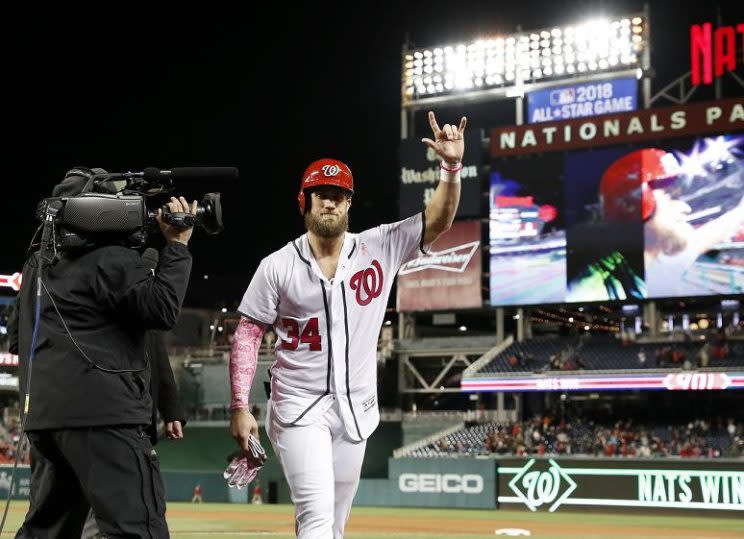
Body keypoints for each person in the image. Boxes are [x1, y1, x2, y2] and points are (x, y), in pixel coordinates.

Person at [229, 111, 466, 538]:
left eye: (339, 193)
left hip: (356, 410)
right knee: (317, 518)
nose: (330, 201)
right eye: (320, 192)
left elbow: (439, 220)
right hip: (298, 408)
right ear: (305, 200)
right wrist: (240, 406)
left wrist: (450, 168)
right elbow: (248, 333)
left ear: (350, 202)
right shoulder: (277, 266)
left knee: (334, 525)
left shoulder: (381, 246)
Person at [10, 167, 195, 539]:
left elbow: (17, 339)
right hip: (105, 417)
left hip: (45, 420)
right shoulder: (110, 258)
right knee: (136, 529)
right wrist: (177, 246)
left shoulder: (36, 266)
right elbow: (162, 310)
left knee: (47, 530)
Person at [81, 329, 187, 539]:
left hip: (133, 414)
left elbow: (155, 347)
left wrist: (171, 408)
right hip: (97, 408)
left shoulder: (144, 309)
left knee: (135, 510)